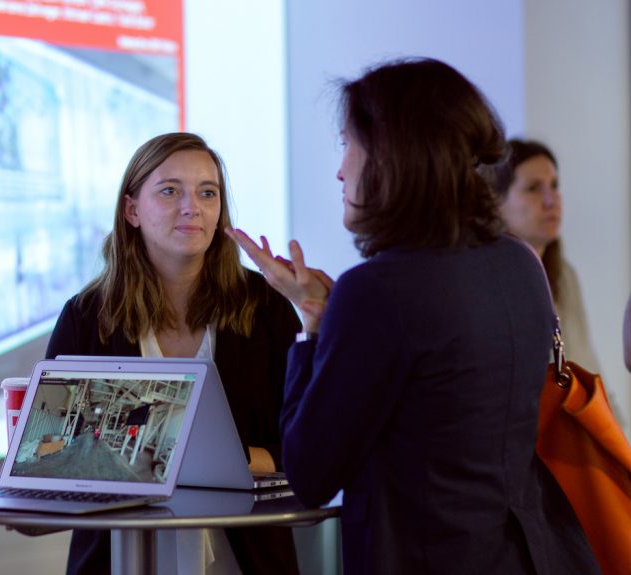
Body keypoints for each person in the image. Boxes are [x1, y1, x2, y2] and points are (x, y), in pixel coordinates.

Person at [228, 58, 600, 574]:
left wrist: (313, 327)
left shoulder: (377, 291)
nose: (340, 169)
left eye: (347, 145)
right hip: (532, 554)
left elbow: (310, 474)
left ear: (390, 155)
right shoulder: (520, 264)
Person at [46, 132, 302, 574]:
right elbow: (50, 450)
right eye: (170, 191)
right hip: (118, 560)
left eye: (208, 192)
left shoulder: (266, 308)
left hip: (244, 561)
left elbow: (308, 444)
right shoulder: (87, 317)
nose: (192, 207)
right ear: (132, 211)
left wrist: (235, 461)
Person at [488, 139, 601, 373]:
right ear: (496, 203)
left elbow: (586, 367)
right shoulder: (487, 282)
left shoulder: (563, 275)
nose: (552, 201)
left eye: (554, 185)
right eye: (534, 188)